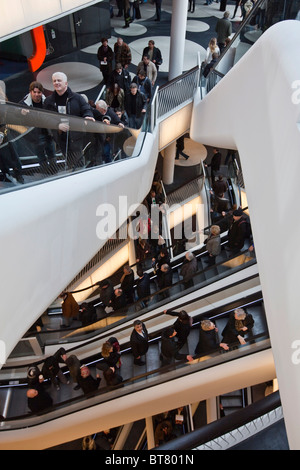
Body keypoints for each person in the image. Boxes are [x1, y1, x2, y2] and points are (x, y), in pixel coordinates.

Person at [44, 72, 95, 170]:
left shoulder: (77, 98)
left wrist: (88, 116)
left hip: (76, 137)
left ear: (66, 83)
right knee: (69, 161)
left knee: (78, 162)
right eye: (54, 81)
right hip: (60, 137)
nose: (56, 83)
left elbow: (86, 109)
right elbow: (46, 118)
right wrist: (57, 125)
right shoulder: (49, 101)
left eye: (59, 80)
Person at [19, 81, 57, 175]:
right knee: (41, 157)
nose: (37, 95)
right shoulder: (23, 104)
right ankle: (46, 174)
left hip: (48, 133)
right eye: (34, 92)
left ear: (42, 93)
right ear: (30, 92)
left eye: (39, 92)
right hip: (35, 135)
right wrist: (21, 114)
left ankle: (54, 173)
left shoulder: (47, 102)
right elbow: (15, 116)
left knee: (52, 154)